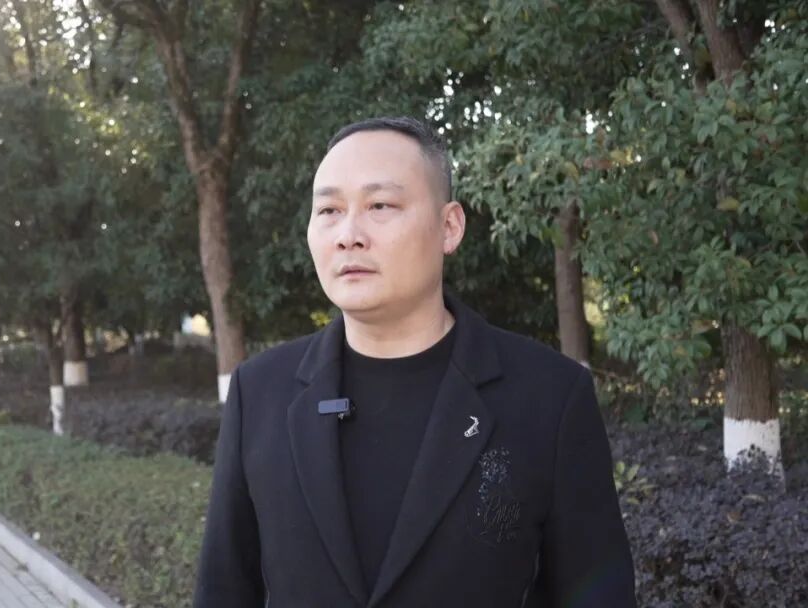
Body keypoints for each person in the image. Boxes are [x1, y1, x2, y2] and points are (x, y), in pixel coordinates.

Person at [193, 116, 635, 607]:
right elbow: (223, 590)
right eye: (329, 210)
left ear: (449, 227)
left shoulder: (549, 397)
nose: (348, 235)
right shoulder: (260, 393)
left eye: (380, 205)